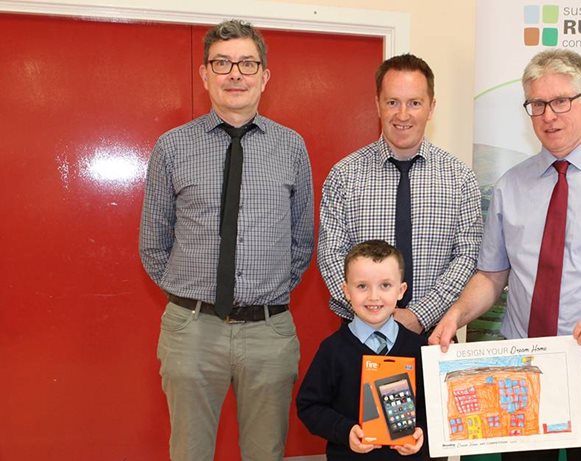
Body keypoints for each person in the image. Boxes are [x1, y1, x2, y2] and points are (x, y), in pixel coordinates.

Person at [429, 49, 581, 461]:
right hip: (523, 363)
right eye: (537, 104)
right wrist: (456, 315)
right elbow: (491, 276)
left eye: (560, 101)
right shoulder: (509, 186)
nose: (549, 116)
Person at [138, 19, 314, 461]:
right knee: (190, 452)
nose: (235, 73)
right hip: (192, 331)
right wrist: (193, 297)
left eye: (247, 63)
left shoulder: (292, 147)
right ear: (205, 74)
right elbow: (153, 243)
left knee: (264, 452)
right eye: (222, 63)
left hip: (268, 333)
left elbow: (301, 240)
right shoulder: (172, 147)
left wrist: (263, 296)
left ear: (264, 75)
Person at [318, 53, 482, 336]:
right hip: (360, 336)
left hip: (434, 336)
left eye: (415, 103)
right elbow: (332, 255)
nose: (402, 115)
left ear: (431, 107)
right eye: (392, 102)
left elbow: (467, 257)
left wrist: (420, 315)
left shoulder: (460, 179)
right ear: (377, 105)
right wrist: (375, 314)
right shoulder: (344, 176)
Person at [297, 240, 427, 460]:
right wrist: (345, 431)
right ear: (346, 291)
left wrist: (422, 434)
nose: (373, 297)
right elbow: (309, 406)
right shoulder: (332, 350)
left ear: (401, 290)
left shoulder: (419, 348)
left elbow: (433, 410)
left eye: (385, 285)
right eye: (362, 286)